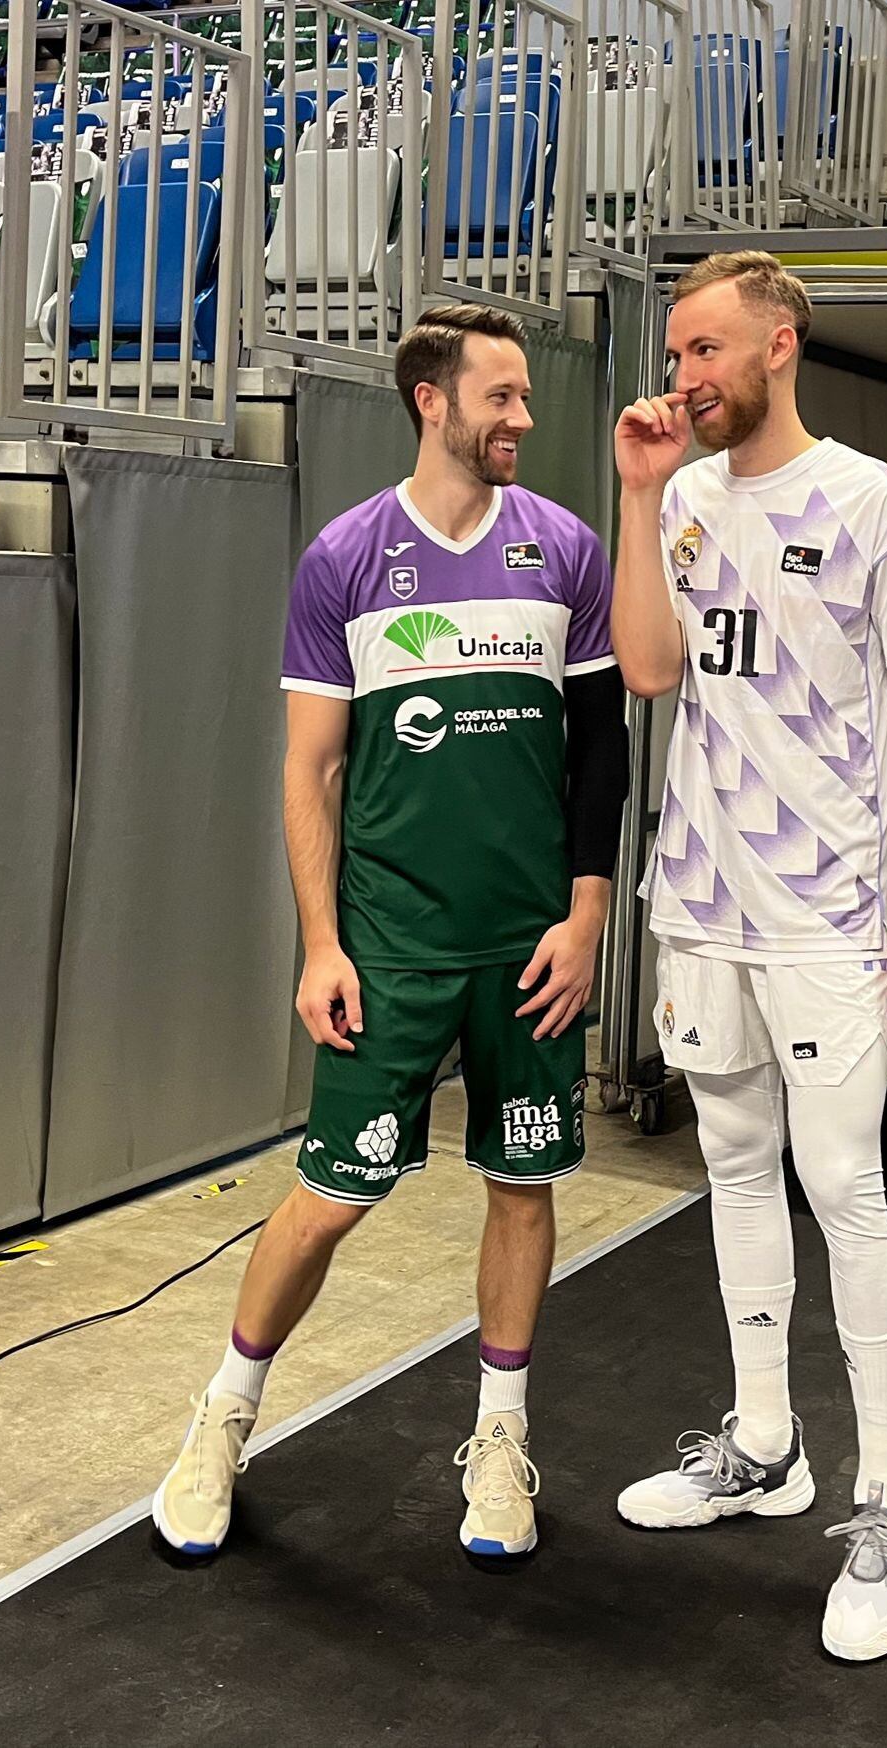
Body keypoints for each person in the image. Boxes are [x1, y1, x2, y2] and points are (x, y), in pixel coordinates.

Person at [151, 304, 628, 1564]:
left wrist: (584, 916)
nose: (523, 417)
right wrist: (320, 942)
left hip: (529, 949)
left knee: (521, 1189)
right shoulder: (347, 559)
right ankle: (222, 1417)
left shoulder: (567, 551)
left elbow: (600, 756)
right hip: (390, 946)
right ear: (434, 399)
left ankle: (501, 1442)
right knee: (325, 1199)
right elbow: (308, 770)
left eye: (525, 397)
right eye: (504, 396)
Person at [608, 250, 887, 1662]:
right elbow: (648, 672)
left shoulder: (885, 505)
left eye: (707, 350)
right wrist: (638, 501)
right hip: (700, 904)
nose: (685, 375)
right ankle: (766, 1446)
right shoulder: (683, 499)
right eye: (677, 353)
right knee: (734, 1168)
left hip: (828, 914)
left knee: (846, 1189)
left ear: (780, 344)